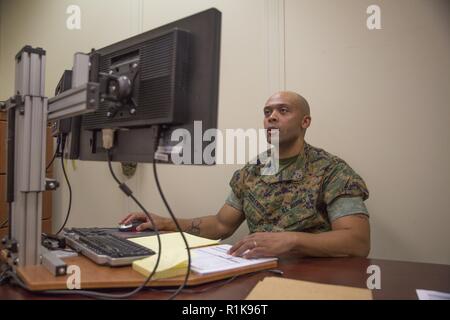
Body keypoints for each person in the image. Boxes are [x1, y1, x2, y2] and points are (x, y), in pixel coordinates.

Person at [120, 91, 370, 259]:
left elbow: (357, 241)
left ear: (305, 122)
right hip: (259, 274)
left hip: (314, 280)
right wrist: (165, 222)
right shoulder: (252, 171)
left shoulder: (332, 171)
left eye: (283, 111)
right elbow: (220, 224)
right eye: (267, 112)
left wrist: (292, 240)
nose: (272, 117)